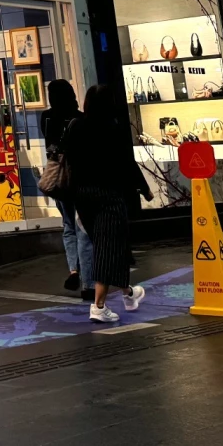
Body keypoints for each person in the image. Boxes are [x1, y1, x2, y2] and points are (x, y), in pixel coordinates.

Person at [62, 85, 151, 323]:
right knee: (107, 249)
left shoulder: (76, 126)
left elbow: (68, 159)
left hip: (82, 196)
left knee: (113, 244)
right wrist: (144, 189)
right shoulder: (112, 128)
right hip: (109, 195)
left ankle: (129, 293)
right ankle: (99, 306)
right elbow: (127, 162)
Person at [41, 79, 92, 296]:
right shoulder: (80, 118)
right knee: (83, 229)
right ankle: (87, 282)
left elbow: (49, 144)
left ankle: (73, 269)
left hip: (58, 178)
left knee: (68, 226)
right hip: (79, 178)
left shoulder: (46, 117)